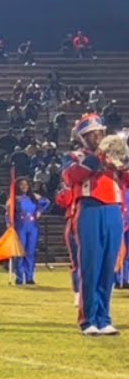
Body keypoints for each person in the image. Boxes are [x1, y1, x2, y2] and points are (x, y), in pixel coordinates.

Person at [62, 113, 125, 335]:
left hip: (113, 211)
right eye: (91, 134)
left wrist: (124, 164)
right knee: (90, 265)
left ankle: (104, 317)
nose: (97, 137)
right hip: (89, 209)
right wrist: (97, 158)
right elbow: (71, 177)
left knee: (108, 266)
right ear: (83, 138)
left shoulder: (113, 158)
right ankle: (88, 319)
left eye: (99, 133)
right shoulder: (76, 155)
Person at [10, 177, 49, 286]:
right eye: (21, 184)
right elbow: (8, 214)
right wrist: (9, 225)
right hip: (20, 226)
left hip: (33, 227)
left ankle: (29, 277)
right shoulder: (14, 199)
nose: (24, 187)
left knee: (31, 252)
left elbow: (46, 202)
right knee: (20, 252)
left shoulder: (33, 197)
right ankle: (19, 277)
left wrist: (40, 211)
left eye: (26, 184)